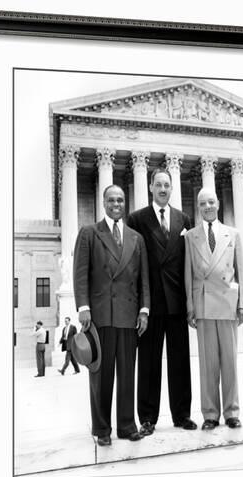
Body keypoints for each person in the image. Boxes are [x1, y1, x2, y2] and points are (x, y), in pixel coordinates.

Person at [73, 184, 150, 446]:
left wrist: (144, 310)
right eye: (111, 200)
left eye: (120, 200)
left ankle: (127, 426)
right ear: (103, 202)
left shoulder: (136, 238)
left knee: (128, 374)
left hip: (129, 317)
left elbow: (143, 280)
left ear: (124, 203)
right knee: (101, 376)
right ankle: (102, 429)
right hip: (101, 316)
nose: (116, 204)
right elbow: (80, 272)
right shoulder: (89, 233)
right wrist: (83, 307)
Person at [127, 167, 196, 436]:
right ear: (150, 188)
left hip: (177, 302)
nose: (163, 189)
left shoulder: (184, 219)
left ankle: (182, 415)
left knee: (180, 361)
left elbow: (189, 263)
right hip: (150, 303)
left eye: (167, 184)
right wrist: (139, 306)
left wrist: (191, 302)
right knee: (148, 363)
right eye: (158, 184)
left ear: (171, 188)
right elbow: (133, 265)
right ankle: (147, 418)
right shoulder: (137, 219)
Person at [184, 188, 243, 430]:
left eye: (211, 202)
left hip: (228, 304)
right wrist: (190, 307)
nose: (208, 206)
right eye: (203, 204)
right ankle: (210, 414)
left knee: (230, 361)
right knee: (207, 363)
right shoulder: (190, 237)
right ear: (198, 207)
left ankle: (232, 411)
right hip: (203, 304)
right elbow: (188, 274)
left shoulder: (233, 234)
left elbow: (242, 270)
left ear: (218, 204)